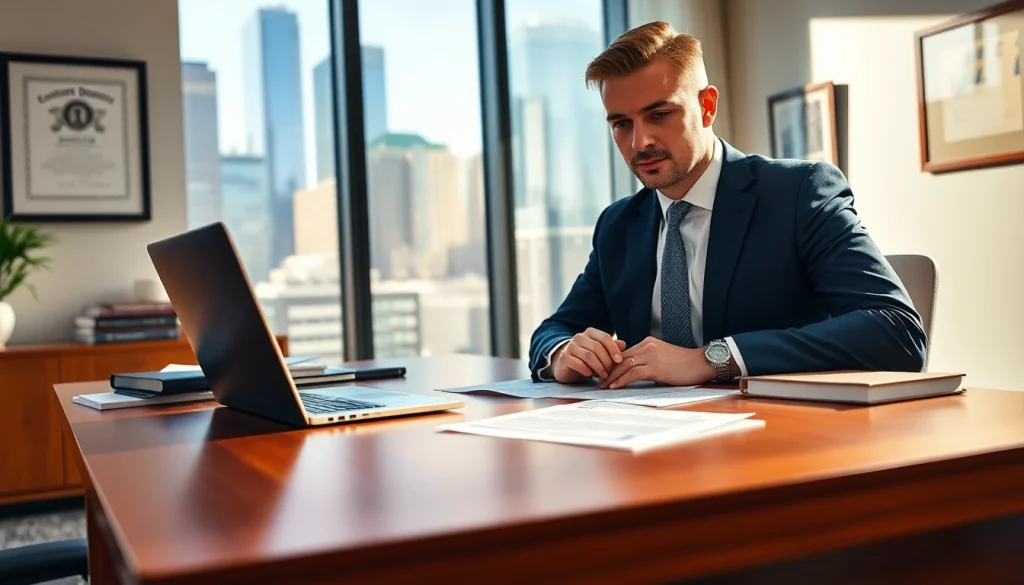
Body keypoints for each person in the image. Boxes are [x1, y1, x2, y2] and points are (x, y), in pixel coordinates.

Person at [528, 21, 926, 389]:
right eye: (621, 124)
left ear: (707, 106)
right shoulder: (618, 225)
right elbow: (556, 328)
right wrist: (562, 353)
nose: (639, 142)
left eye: (660, 114)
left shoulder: (800, 192)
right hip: (646, 443)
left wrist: (713, 359)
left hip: (781, 438)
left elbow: (896, 331)